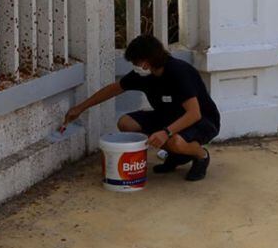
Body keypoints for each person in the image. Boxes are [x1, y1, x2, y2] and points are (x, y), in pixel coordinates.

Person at [61, 35, 220, 182]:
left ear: (147, 61)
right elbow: (114, 89)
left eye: (135, 63)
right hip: (168, 117)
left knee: (175, 141)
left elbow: (194, 114)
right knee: (126, 123)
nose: (134, 67)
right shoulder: (143, 75)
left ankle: (200, 156)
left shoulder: (179, 72)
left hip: (203, 121)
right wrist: (80, 108)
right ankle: (177, 154)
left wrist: (166, 133)